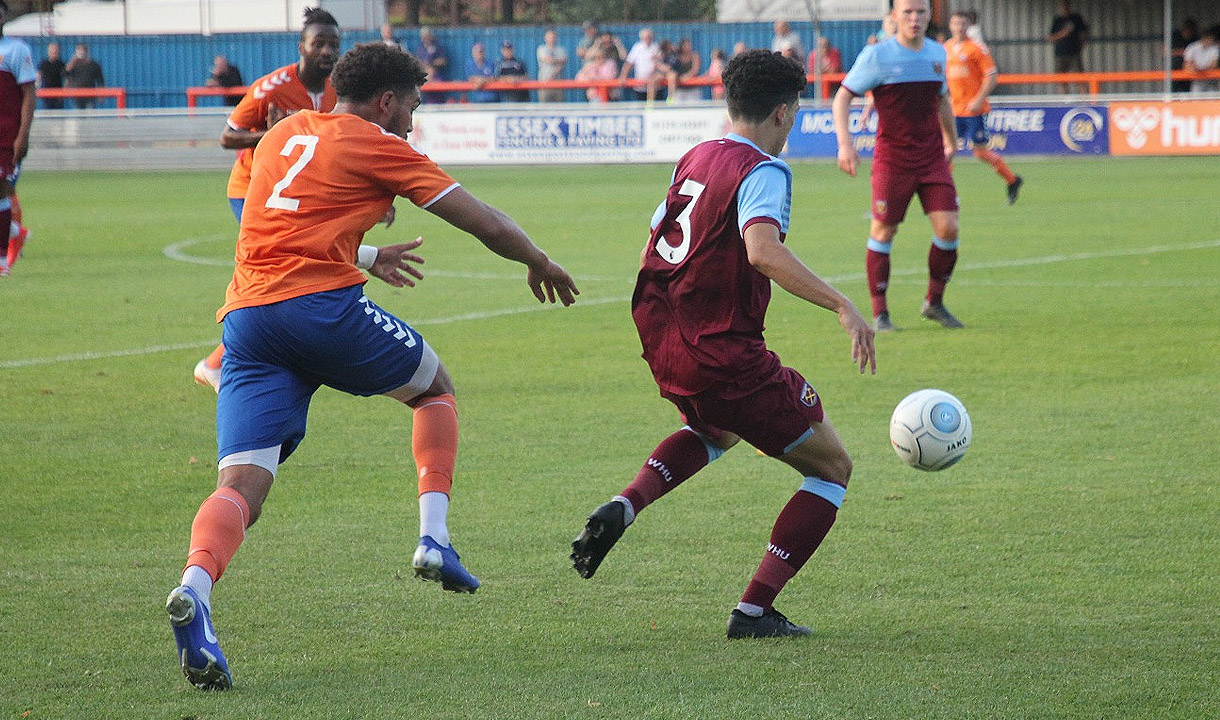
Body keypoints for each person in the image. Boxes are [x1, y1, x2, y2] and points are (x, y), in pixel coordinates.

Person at [166, 41, 580, 691]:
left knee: (243, 484)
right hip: (320, 314)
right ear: (387, 101)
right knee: (434, 389)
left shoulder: (283, 135)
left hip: (247, 322)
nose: (413, 121)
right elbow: (485, 223)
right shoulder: (385, 146)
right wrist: (538, 259)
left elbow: (290, 218)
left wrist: (363, 253)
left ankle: (194, 589)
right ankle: (433, 538)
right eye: (412, 106)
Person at [570, 48, 875, 640]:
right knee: (832, 468)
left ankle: (625, 505)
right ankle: (754, 612)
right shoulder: (764, 170)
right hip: (723, 351)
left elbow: (648, 249)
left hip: (663, 337)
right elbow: (762, 249)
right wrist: (842, 304)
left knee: (718, 429)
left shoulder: (697, 155)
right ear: (784, 113)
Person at [194, 7, 342, 391]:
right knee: (278, 276)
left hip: (292, 196)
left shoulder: (334, 92)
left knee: (287, 276)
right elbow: (227, 136)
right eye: (319, 43)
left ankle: (235, 357)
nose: (327, 51)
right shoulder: (271, 87)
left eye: (333, 44)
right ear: (301, 47)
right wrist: (271, 135)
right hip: (252, 191)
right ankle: (221, 361)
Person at [832, 0, 962, 332]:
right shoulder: (877, 56)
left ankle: (934, 302)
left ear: (929, 16)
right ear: (894, 17)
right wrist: (845, 144)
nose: (914, 18)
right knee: (884, 231)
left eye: (920, 12)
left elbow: (942, 99)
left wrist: (952, 139)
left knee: (948, 228)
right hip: (893, 161)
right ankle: (881, 313)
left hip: (932, 158)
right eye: (907, 12)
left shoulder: (936, 53)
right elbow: (843, 97)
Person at [945, 11, 1022, 205]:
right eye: (955, 24)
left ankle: (1012, 180)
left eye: (962, 24)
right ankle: (948, 195)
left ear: (968, 26)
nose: (959, 27)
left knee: (980, 152)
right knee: (946, 151)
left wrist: (979, 99)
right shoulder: (945, 48)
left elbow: (991, 76)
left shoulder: (977, 48)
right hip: (953, 109)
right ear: (950, 26)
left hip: (973, 110)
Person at [0, 0, 34, 278]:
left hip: (6, 138)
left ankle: (11, 242)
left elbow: (28, 95)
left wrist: (22, 135)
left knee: (5, 191)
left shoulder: (16, 50)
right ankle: (14, 232)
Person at [1046, 0, 1089, 94]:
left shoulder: (1076, 18)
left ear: (1069, 5)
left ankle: (1086, 102)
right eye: (1062, 5)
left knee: (1080, 80)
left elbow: (1084, 34)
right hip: (1060, 54)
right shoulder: (1057, 20)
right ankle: (1064, 102)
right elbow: (1050, 38)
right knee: (1061, 81)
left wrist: (1081, 46)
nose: (1064, 7)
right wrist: (1062, 34)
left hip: (1074, 54)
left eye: (1066, 4)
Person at [620, 28, 664, 103]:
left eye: (649, 36)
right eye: (645, 37)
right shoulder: (637, 47)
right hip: (641, 86)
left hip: (656, 87)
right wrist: (623, 76)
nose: (647, 39)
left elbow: (662, 63)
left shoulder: (656, 47)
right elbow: (629, 63)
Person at [64, 42, 104, 110]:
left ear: (86, 52)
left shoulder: (94, 64)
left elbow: (100, 80)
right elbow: (65, 74)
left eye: (83, 50)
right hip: (77, 95)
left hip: (90, 95)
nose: (81, 53)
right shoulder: (72, 64)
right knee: (78, 115)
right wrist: (71, 63)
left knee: (90, 115)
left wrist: (101, 94)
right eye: (79, 50)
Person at [1183, 25, 1220, 93]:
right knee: (1196, 98)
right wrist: (1194, 69)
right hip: (1197, 78)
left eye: (1211, 38)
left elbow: (1214, 65)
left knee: (1213, 98)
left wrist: (1203, 70)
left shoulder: (1214, 49)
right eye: (1207, 38)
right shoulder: (1192, 47)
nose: (1209, 40)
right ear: (1203, 38)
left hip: (1211, 79)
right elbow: (1186, 65)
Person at [416, 27, 448, 103]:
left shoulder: (438, 47)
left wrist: (432, 64)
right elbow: (419, 62)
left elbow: (443, 60)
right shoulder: (421, 48)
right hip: (426, 76)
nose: (426, 38)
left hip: (437, 76)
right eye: (424, 36)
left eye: (427, 36)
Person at [536, 28, 567, 103]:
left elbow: (564, 61)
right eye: (549, 37)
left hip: (558, 83)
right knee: (544, 108)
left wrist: (555, 61)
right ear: (545, 38)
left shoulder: (561, 49)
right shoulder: (541, 49)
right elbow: (548, 60)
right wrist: (558, 60)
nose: (552, 39)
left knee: (559, 108)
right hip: (544, 83)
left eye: (553, 37)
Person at [1171, 18, 1200, 93]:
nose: (1189, 33)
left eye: (1191, 30)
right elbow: (1166, 52)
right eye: (1187, 29)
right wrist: (1183, 52)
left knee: (1188, 90)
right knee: (1174, 90)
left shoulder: (1195, 39)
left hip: (1190, 69)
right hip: (1175, 68)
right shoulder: (1175, 36)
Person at [36, 41, 65, 110]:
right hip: (46, 94)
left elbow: (67, 78)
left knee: (58, 114)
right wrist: (36, 89)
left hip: (58, 94)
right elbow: (38, 77)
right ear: (48, 51)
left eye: (56, 50)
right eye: (52, 50)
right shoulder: (43, 64)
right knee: (47, 113)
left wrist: (64, 92)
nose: (54, 53)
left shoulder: (61, 64)